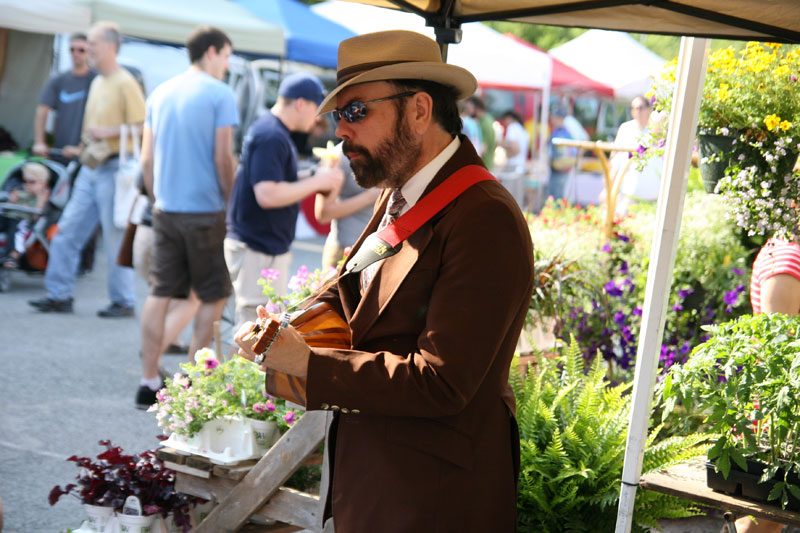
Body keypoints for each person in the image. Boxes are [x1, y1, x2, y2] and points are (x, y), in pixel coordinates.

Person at [235, 30, 534, 531]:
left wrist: (311, 364)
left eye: (355, 113)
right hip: (380, 483)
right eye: (337, 117)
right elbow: (353, 290)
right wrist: (285, 328)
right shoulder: (402, 189)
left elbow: (442, 382)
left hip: (434, 502)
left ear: (419, 110)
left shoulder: (485, 217)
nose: (341, 133)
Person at [135, 26, 238, 409]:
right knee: (214, 295)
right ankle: (194, 380)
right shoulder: (220, 94)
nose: (227, 64)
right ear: (211, 52)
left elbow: (147, 159)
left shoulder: (160, 92)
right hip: (204, 211)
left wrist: (156, 196)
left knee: (159, 293)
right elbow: (222, 158)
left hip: (164, 209)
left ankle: (147, 380)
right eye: (226, 55)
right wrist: (230, 202)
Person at [28, 21, 145, 316]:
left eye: (91, 44)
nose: (87, 49)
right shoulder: (98, 81)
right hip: (92, 167)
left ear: (108, 46)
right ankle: (59, 295)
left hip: (115, 169)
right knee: (67, 232)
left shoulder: (125, 82)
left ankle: (124, 301)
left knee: (115, 239)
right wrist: (83, 147)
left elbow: (145, 127)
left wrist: (109, 132)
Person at [224, 73, 343, 329]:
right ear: (301, 103)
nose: (317, 118)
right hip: (257, 246)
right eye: (316, 109)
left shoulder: (271, 130)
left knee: (257, 324)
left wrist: (312, 174)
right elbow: (267, 195)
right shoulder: (272, 136)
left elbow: (275, 181)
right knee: (252, 328)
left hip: (260, 245)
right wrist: (318, 182)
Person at [736, 236, 800, 533]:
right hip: (781, 414)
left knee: (771, 519)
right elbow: (777, 355)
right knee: (764, 519)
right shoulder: (788, 256)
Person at [32, 33, 97, 162]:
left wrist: (82, 147)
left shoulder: (97, 81)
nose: (76, 53)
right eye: (72, 49)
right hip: (61, 150)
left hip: (88, 155)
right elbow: (42, 110)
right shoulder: (58, 80)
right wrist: (39, 142)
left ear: (89, 52)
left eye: (81, 50)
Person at [314, 145, 380, 269]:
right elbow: (323, 214)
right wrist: (371, 196)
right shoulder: (339, 155)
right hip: (344, 247)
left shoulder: (392, 147)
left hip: (380, 249)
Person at [611, 96, 662, 214]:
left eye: (640, 108)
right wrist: (608, 188)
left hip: (653, 195)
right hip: (629, 192)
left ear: (649, 109)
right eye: (634, 108)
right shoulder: (626, 128)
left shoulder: (657, 129)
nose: (637, 111)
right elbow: (615, 160)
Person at [1, 163, 51, 268]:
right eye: (24, 181)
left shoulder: (42, 194)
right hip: (9, 215)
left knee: (17, 232)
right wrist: (12, 200)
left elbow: (38, 214)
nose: (26, 185)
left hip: (23, 219)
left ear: (42, 183)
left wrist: (38, 200)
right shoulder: (19, 191)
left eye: (32, 182)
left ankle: (13, 255)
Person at [547, 105, 577, 201]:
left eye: (553, 117)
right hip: (557, 168)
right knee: (555, 195)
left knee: (557, 196)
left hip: (561, 168)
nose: (552, 119)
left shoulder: (563, 132)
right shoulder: (561, 131)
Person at [470, 95, 496, 170]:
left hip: (484, 166)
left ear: (477, 108)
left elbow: (483, 148)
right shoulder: (486, 120)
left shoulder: (485, 123)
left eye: (469, 108)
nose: (468, 110)